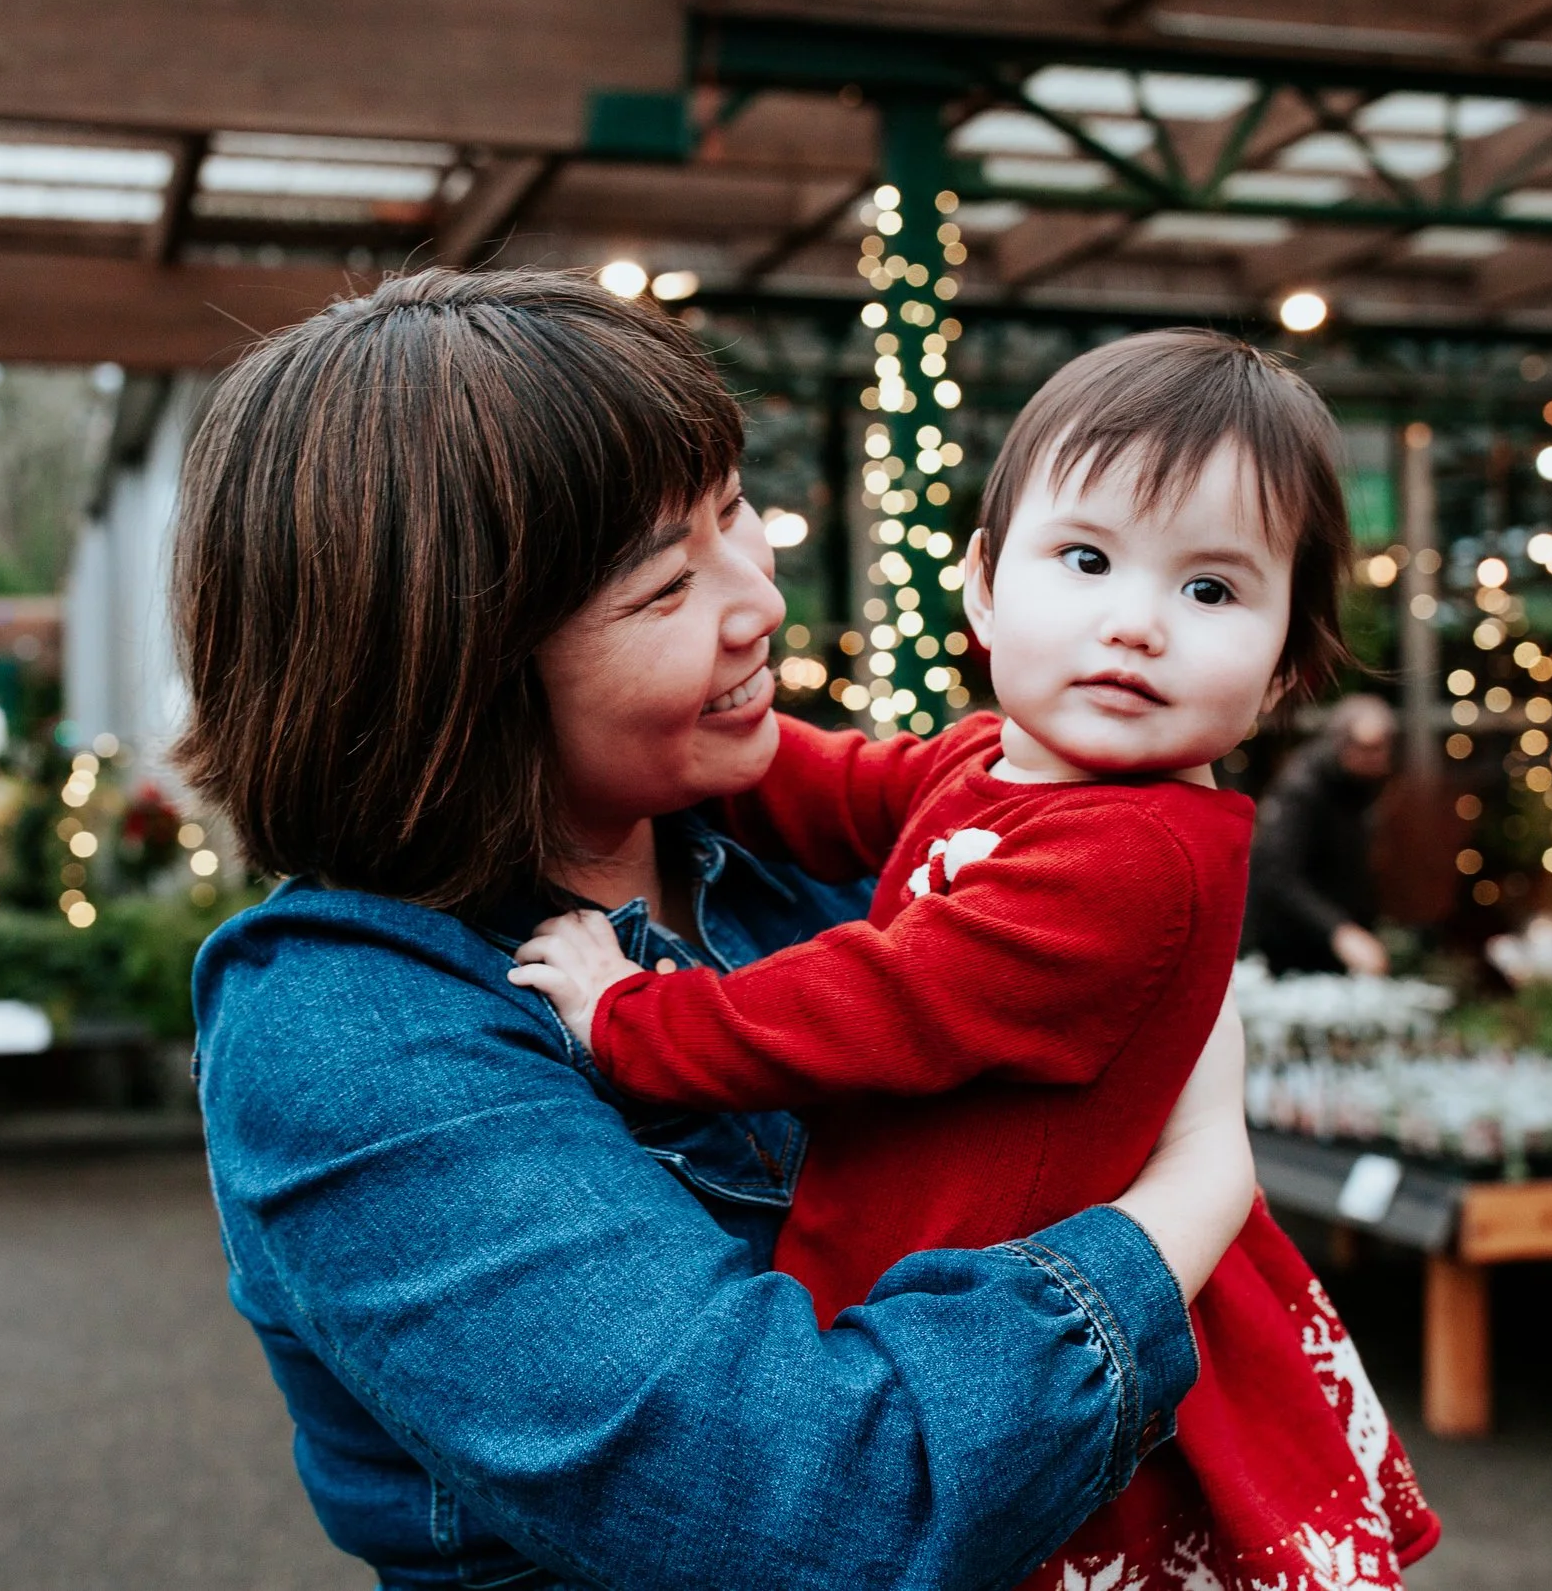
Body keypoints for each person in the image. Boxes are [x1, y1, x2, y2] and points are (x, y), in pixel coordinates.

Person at [173, 269, 1254, 1591]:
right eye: (665, 586)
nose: (760, 601)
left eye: (737, 512)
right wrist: (1187, 1200)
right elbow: (825, 1506)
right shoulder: (356, 1032)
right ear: (459, 674)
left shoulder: (777, 849)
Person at [513, 331, 1437, 1591]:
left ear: (1283, 666)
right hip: (904, 1271)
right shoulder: (995, 757)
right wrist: (702, 723)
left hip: (982, 1322)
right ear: (988, 587)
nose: (1135, 624)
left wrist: (632, 1016)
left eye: (1211, 590)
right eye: (1088, 558)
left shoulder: (1135, 855)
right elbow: (834, 780)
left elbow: (874, 1003)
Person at [1243, 693, 1398, 976]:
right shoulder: (1301, 790)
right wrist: (1339, 931)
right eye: (1366, 749)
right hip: (1287, 948)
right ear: (1341, 743)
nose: (1376, 758)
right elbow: (1276, 874)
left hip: (1336, 936)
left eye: (1382, 748)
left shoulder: (1363, 785)